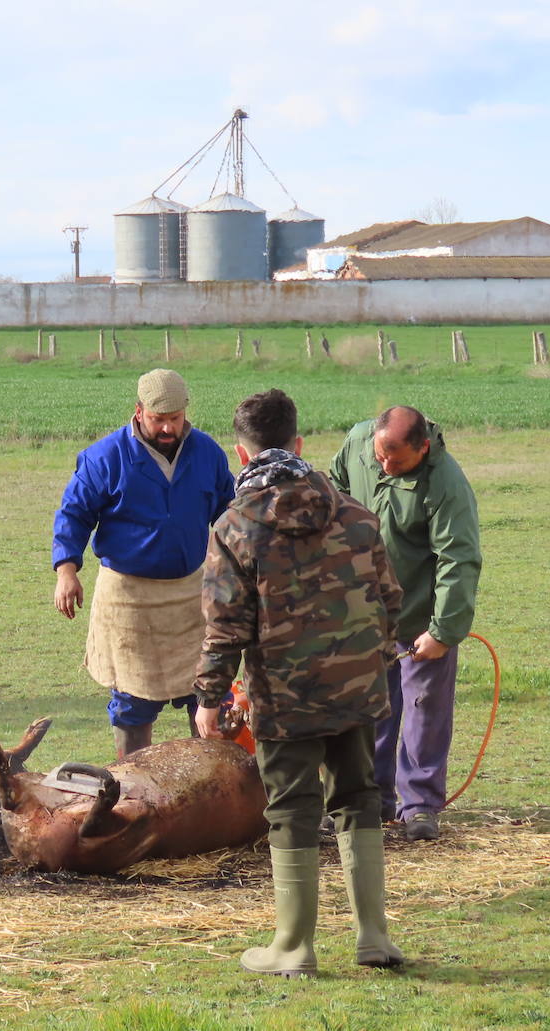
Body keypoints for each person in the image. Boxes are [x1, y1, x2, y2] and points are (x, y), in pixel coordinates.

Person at [194, 388, 405, 977]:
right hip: (359, 691)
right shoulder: (356, 514)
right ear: (299, 444)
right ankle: (373, 938)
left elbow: (224, 627)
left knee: (291, 809)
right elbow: (390, 601)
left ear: (241, 454)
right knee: (359, 798)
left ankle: (294, 946)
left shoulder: (235, 528)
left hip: (285, 700)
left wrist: (210, 699)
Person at [52, 369, 234, 758]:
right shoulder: (105, 457)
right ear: (139, 412)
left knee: (206, 693)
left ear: (186, 412)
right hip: (129, 599)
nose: (168, 427)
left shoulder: (208, 454)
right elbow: (74, 514)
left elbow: (230, 515)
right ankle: (132, 786)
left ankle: (214, 786)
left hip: (191, 593)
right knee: (132, 703)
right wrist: (66, 569)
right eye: (158, 418)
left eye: (175, 418)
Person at [330, 405, 482, 842]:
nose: (385, 465)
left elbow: (458, 559)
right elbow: (335, 489)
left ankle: (418, 805)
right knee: (370, 709)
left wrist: (442, 631)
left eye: (396, 460)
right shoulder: (358, 442)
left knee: (423, 711)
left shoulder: (446, 484)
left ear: (424, 447)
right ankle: (369, 798)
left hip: (417, 616)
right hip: (362, 610)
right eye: (380, 455)